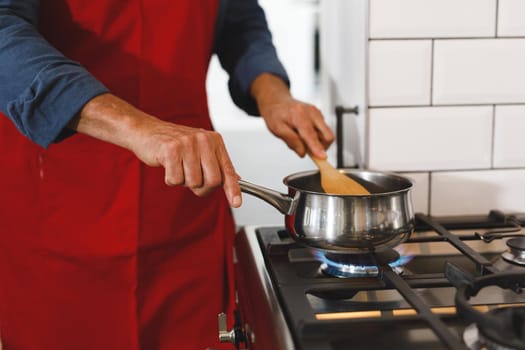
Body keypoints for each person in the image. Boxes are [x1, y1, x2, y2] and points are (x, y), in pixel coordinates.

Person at [0, 0, 334, 349]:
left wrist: (272, 94)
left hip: (186, 215)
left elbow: (239, 18)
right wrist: (136, 127)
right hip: (58, 219)